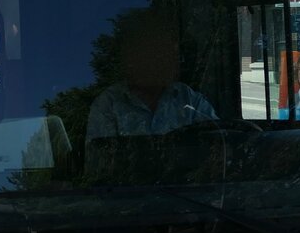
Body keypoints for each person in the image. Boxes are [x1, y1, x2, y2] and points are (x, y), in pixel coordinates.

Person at [86, 10, 216, 141]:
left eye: (173, 53)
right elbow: (101, 158)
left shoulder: (190, 100)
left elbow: (219, 145)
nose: (173, 61)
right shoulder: (108, 104)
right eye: (161, 51)